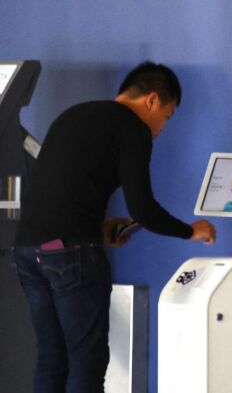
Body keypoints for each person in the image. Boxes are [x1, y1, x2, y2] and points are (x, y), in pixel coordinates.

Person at [10, 62, 216, 393]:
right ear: (151, 100)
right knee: (86, 363)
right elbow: (144, 209)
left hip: (28, 251)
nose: (161, 128)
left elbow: (62, 190)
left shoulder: (73, 115)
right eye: (166, 116)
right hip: (70, 255)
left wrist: (101, 226)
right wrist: (192, 231)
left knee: (51, 358)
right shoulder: (132, 128)